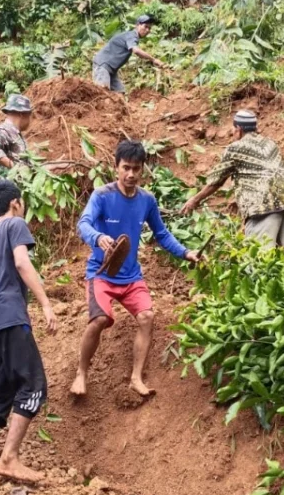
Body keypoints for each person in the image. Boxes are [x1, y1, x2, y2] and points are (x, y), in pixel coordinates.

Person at [72, 141, 201, 398]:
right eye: (126, 168)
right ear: (116, 167)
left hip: (131, 275)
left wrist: (186, 253)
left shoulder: (147, 200)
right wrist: (98, 237)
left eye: (136, 169)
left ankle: (136, 378)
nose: (131, 174)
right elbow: (83, 223)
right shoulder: (102, 195)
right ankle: (81, 373)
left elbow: (161, 234)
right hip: (101, 273)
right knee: (100, 319)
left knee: (147, 317)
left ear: (143, 170)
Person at [0, 179, 57, 484]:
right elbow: (21, 261)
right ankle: (9, 458)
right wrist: (45, 303)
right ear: (15, 203)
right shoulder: (15, 225)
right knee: (33, 386)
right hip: (9, 315)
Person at [180, 110, 284, 250]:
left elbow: (217, 180)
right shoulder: (270, 144)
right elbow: (263, 172)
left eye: (233, 130)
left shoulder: (236, 147)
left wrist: (195, 200)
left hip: (263, 204)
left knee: (259, 259)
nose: (232, 134)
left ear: (238, 129)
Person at [91, 15, 167, 94]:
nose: (147, 30)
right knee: (103, 93)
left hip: (111, 70)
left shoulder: (131, 37)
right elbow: (136, 51)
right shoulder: (131, 35)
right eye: (145, 26)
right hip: (103, 66)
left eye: (149, 28)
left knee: (120, 93)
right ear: (137, 25)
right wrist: (153, 60)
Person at [0, 94, 34, 175]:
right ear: (22, 114)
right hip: (5, 185)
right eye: (28, 116)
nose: (29, 120)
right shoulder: (4, 131)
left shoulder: (15, 133)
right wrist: (12, 166)